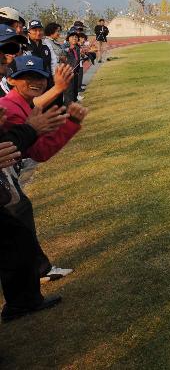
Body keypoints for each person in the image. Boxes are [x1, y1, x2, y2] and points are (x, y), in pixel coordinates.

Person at [0, 55, 86, 295]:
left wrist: (59, 88)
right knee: (18, 231)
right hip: (5, 183)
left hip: (8, 180)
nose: (34, 82)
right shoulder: (12, 110)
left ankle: (33, 283)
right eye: (26, 77)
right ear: (11, 80)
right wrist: (71, 124)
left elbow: (35, 102)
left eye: (39, 76)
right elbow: (40, 151)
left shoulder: (16, 102)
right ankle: (32, 285)